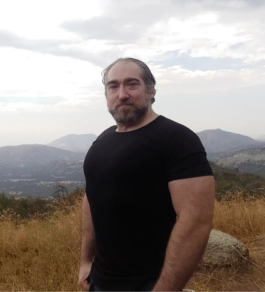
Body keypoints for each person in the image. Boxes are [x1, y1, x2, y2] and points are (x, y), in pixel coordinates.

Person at [78, 58, 215, 291]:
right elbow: (92, 197)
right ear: (106, 94)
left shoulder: (177, 139)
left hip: (150, 284)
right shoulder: (103, 139)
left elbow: (196, 222)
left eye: (132, 84)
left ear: (151, 91)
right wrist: (85, 261)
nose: (122, 94)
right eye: (113, 86)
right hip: (99, 281)